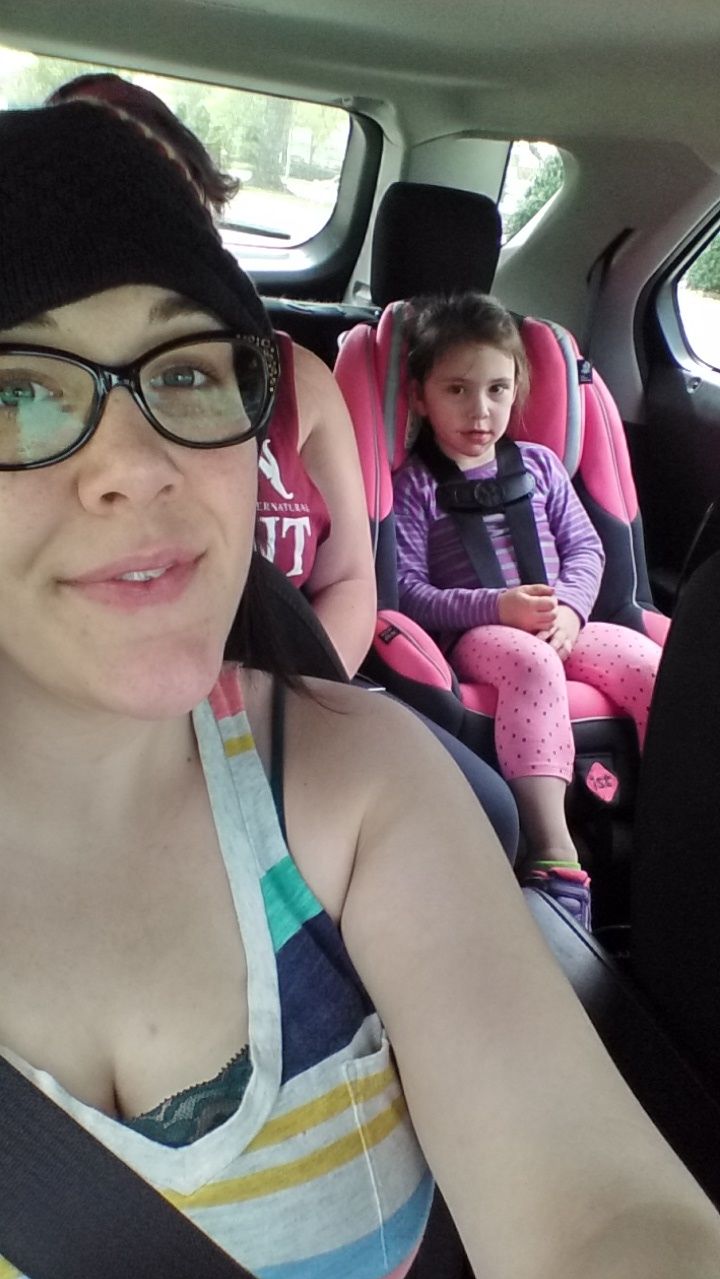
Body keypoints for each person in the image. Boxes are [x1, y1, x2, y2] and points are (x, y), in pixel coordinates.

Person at [0, 95, 718, 1279]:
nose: (136, 466)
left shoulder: (358, 781)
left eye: (188, 370)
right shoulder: (417, 497)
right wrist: (497, 620)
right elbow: (402, 580)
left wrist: (574, 610)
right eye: (17, 389)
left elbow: (599, 1215)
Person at [45, 73, 521, 860]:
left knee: (489, 815)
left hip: (294, 690)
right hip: (97, 733)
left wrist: (280, 711)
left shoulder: (298, 380)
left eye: (164, 203)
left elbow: (352, 580)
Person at [393, 293, 662, 926]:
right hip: (480, 635)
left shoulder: (540, 466)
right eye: (456, 390)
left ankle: (680, 813)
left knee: (646, 662)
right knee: (533, 666)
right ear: (419, 397)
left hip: (563, 622)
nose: (480, 410)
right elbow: (405, 588)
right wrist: (497, 606)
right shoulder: (417, 484)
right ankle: (554, 854)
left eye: (497, 389)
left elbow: (586, 549)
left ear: (517, 389)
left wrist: (570, 610)